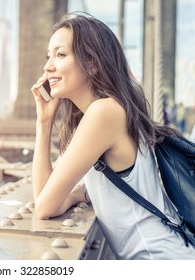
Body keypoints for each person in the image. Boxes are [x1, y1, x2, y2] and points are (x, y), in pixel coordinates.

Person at [30, 12, 195, 260]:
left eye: (60, 54)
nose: (47, 66)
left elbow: (43, 206)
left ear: (93, 63)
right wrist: (44, 123)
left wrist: (72, 196)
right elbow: (44, 197)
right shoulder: (107, 113)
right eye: (48, 56)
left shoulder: (104, 112)